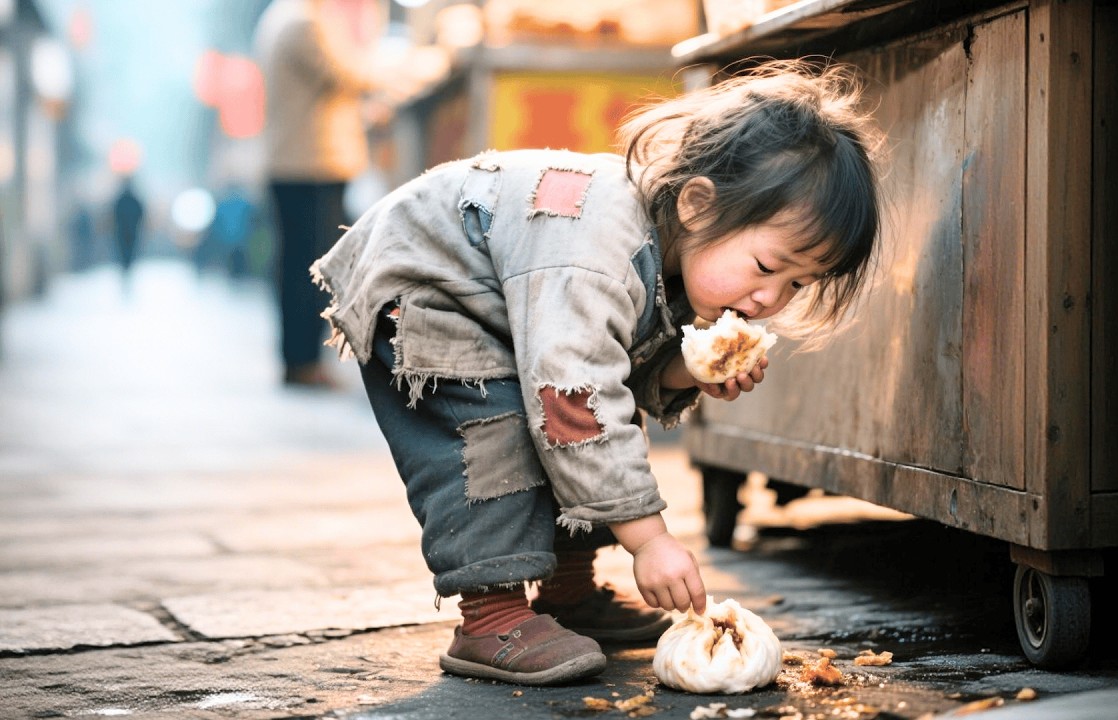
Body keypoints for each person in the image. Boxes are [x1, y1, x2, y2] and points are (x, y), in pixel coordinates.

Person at [309, 60, 883, 686]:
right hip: (428, 295)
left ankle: (570, 589)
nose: (773, 298)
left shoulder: (666, 252)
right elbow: (572, 396)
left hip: (510, 308)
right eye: (768, 265)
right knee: (503, 432)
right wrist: (650, 540)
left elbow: (611, 372)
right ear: (696, 205)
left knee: (586, 413)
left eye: (798, 283)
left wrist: (684, 376)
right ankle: (490, 616)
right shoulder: (596, 252)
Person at [255, 0, 441, 388]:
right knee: (314, 270)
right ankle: (303, 362)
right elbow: (348, 74)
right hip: (311, 163)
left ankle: (299, 359)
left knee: (298, 267)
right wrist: (412, 67)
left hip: (295, 163)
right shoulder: (303, 23)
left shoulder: (280, 18)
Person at [111, 175, 145, 285]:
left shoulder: (120, 199)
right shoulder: (134, 199)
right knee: (129, 251)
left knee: (124, 252)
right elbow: (141, 213)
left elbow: (114, 214)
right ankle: (127, 268)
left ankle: (126, 268)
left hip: (122, 231)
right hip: (131, 231)